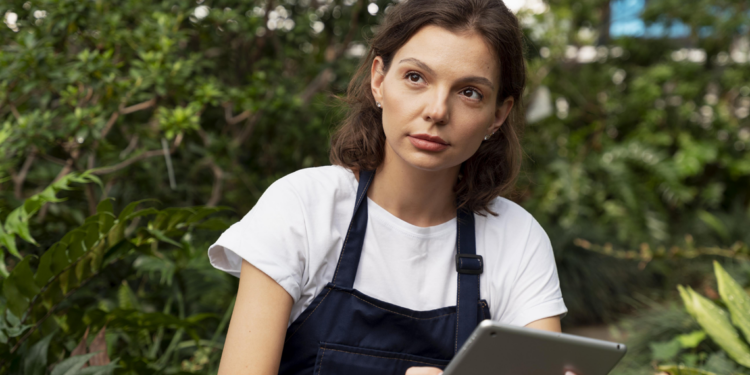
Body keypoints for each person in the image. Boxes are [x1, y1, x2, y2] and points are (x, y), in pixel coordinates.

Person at [208, 0, 569, 373]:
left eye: (469, 92)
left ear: (498, 114)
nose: (437, 110)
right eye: (416, 77)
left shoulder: (517, 238)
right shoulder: (301, 207)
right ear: (378, 80)